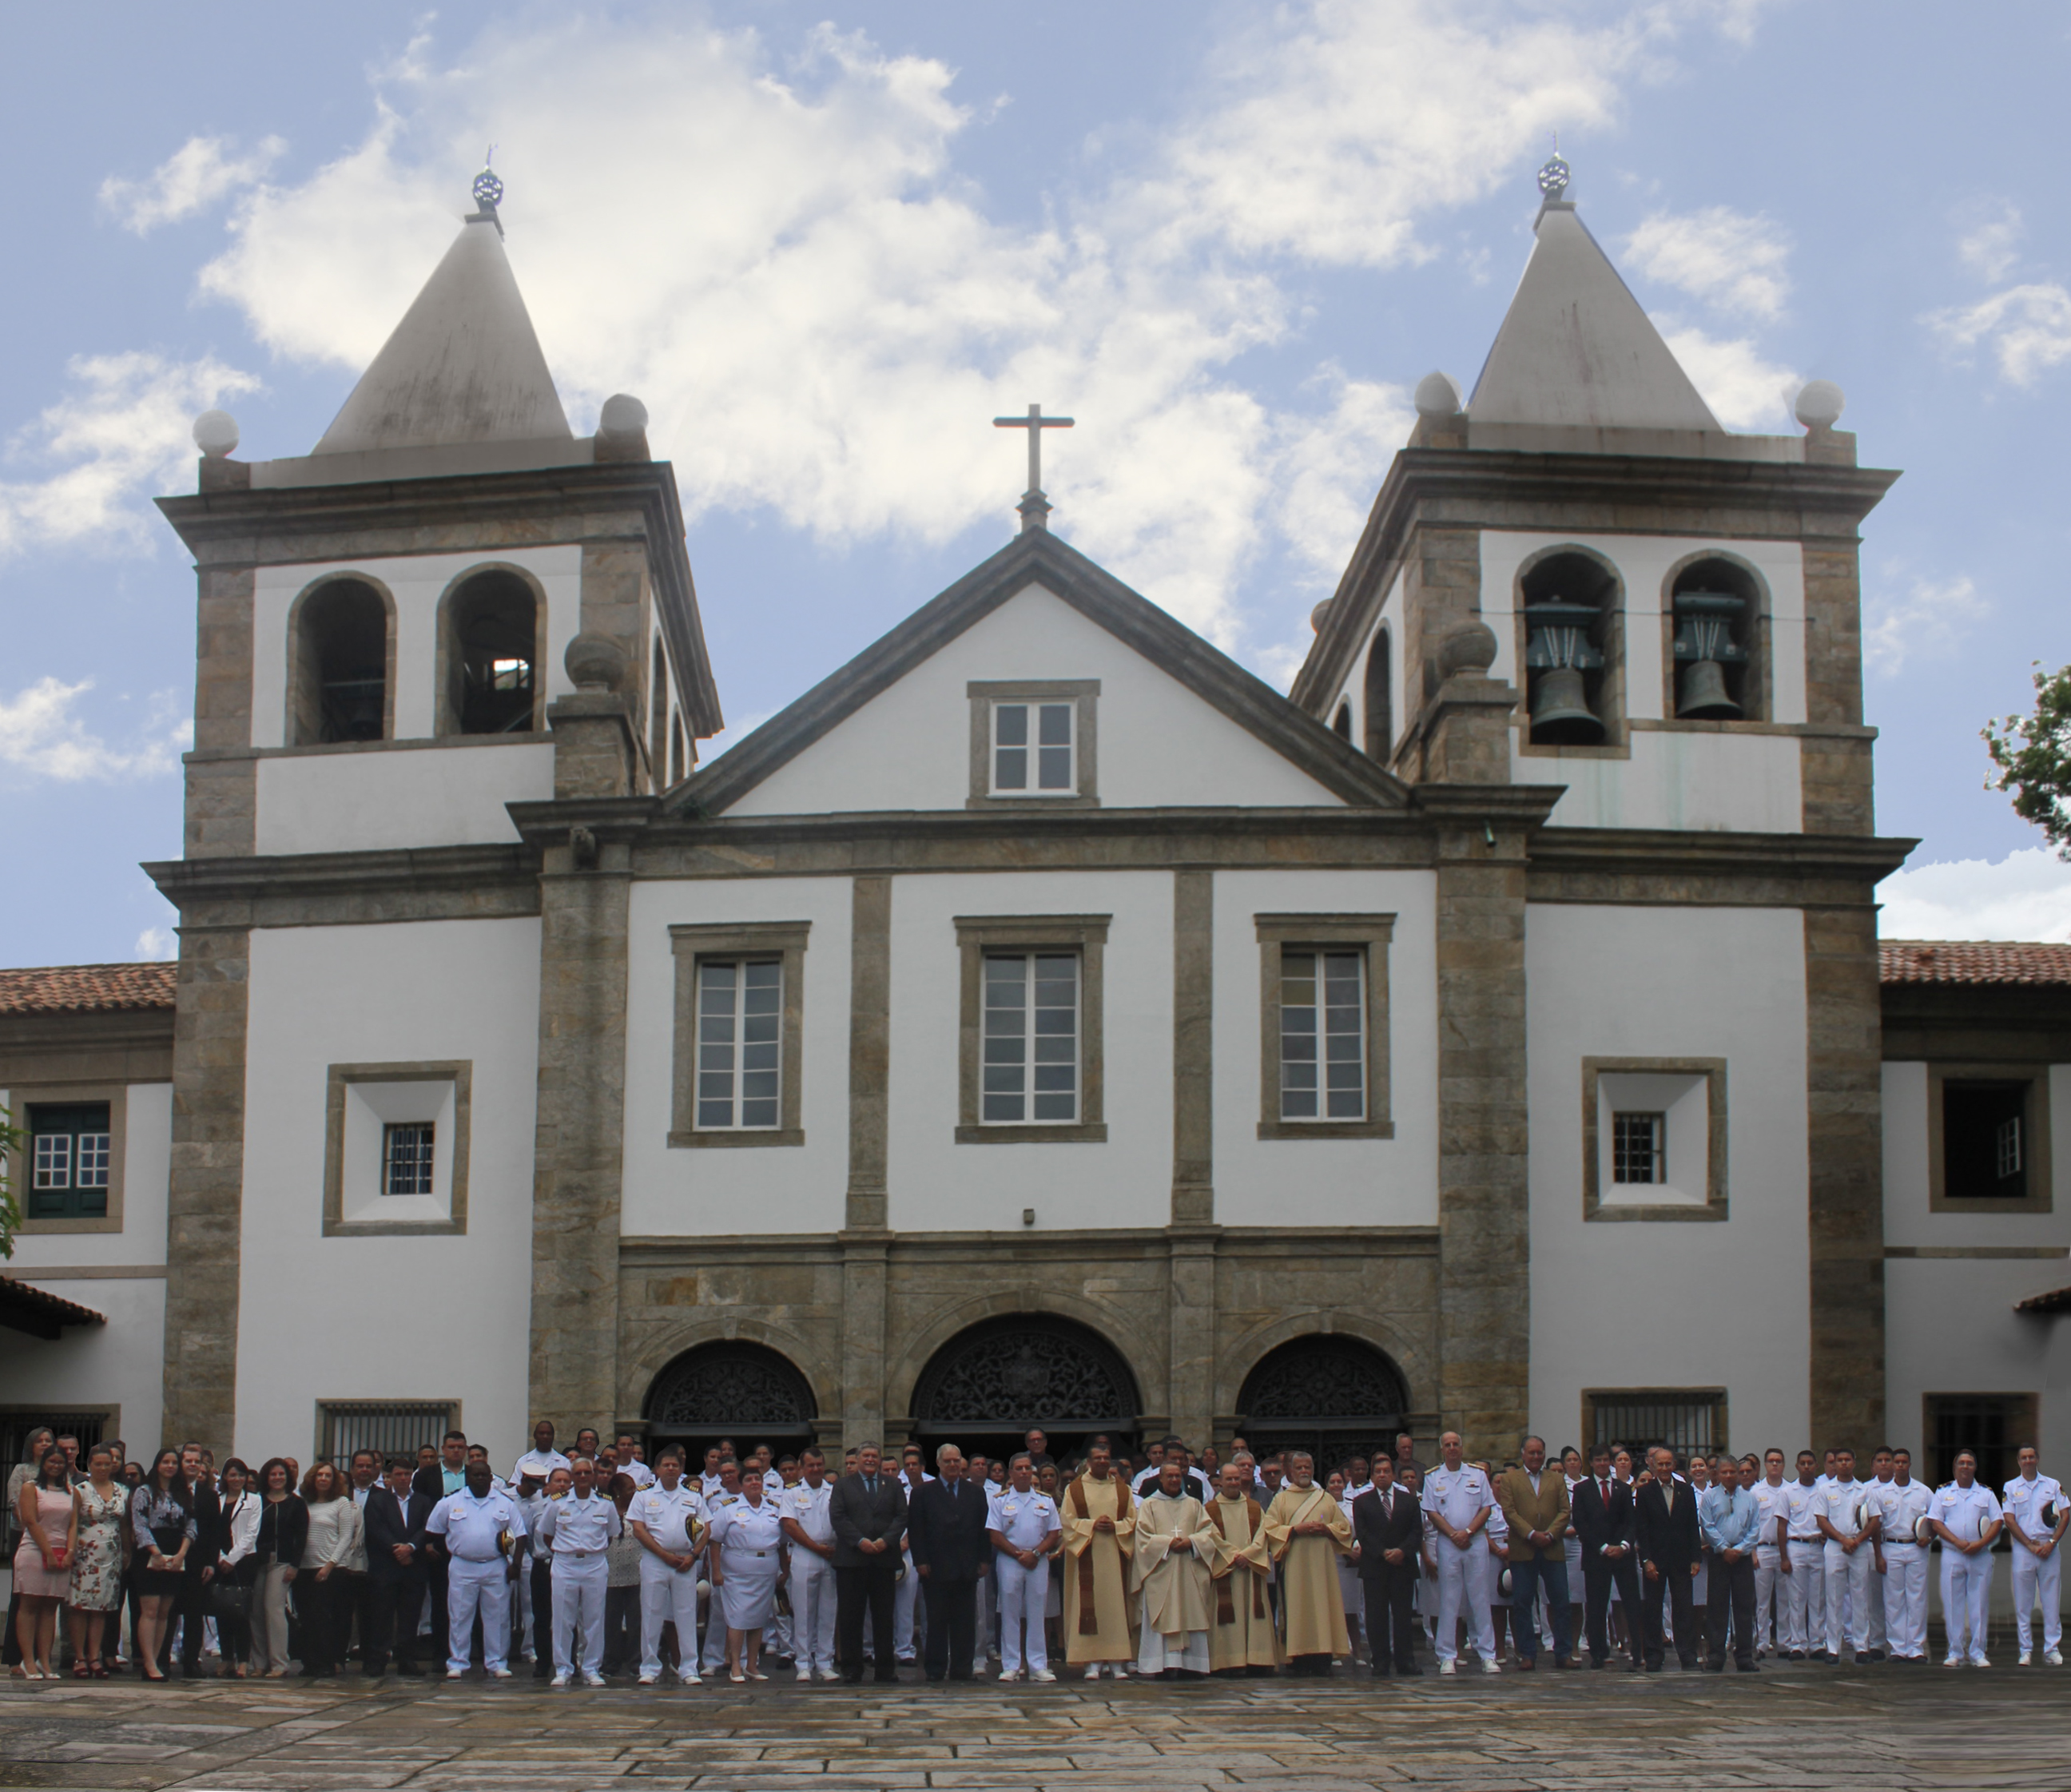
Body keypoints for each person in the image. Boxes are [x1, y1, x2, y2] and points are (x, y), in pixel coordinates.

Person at [907, 1444, 990, 1682]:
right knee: (936, 1622)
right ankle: (935, 1669)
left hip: (967, 1567)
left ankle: (962, 1669)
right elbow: (916, 1531)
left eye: (957, 1461)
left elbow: (984, 1528)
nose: (953, 1465)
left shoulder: (975, 1492)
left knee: (965, 1622)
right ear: (939, 1464)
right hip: (935, 1568)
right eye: (948, 1461)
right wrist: (920, 1561)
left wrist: (984, 1559)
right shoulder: (923, 1493)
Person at [1264, 1449, 1352, 1675]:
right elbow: (1270, 1529)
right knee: (1298, 1608)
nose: (1304, 1471)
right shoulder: (1281, 1499)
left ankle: (1323, 1656)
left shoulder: (1325, 1498)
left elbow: (1343, 1528)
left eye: (1308, 1467)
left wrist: (1327, 1529)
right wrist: (1294, 1530)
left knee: (1323, 1608)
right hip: (1294, 1565)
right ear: (1290, 1471)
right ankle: (1298, 1658)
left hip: (1322, 1566)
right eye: (1299, 1468)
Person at [537, 1453, 619, 1687]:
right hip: (565, 1563)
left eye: (587, 1472)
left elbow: (611, 1534)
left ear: (593, 1475)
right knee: (563, 1619)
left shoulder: (605, 1503)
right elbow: (546, 1534)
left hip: (594, 1563)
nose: (583, 1476)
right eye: (578, 1473)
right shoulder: (558, 1503)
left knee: (594, 1619)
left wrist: (593, 1551)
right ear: (572, 1477)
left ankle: (592, 1668)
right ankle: (563, 1669)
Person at [829, 1443, 907, 1684]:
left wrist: (886, 1541)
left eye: (875, 1456)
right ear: (857, 1459)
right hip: (853, 1559)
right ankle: (852, 1668)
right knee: (851, 1616)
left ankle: (885, 1669)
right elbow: (838, 1517)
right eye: (866, 1456)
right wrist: (860, 1541)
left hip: (884, 1559)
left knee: (884, 1616)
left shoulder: (893, 1485)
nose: (871, 1459)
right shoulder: (842, 1485)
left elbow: (902, 1516)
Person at [627, 1447, 704, 1686]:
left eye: (675, 1465)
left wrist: (694, 1555)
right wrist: (663, 1555)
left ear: (681, 1469)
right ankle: (649, 1667)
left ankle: (688, 1668)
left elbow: (706, 1528)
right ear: (657, 1470)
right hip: (655, 1560)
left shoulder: (693, 1497)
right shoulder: (643, 1496)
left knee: (686, 1614)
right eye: (666, 1465)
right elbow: (638, 1529)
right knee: (651, 1613)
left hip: (685, 1561)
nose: (671, 1469)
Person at [1421, 1432, 1496, 1675]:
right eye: (1448, 1445)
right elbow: (1432, 1512)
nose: (1452, 1448)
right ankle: (1447, 1655)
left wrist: (1468, 1531)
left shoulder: (1476, 1475)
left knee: (1480, 1598)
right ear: (1442, 1450)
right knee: (1449, 1600)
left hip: (1475, 1541)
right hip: (1448, 1543)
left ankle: (1487, 1654)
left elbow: (1487, 1507)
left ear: (1462, 1448)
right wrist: (1454, 1534)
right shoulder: (1433, 1478)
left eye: (1456, 1444)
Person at [1060, 1436, 1136, 1679]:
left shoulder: (1123, 1490)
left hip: (1115, 1558)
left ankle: (1116, 1661)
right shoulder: (1075, 1489)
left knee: (1114, 1607)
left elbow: (1133, 1522)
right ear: (1089, 1462)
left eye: (1106, 1458)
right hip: (1087, 1555)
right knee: (1089, 1606)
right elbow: (1067, 1522)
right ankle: (1091, 1662)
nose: (1102, 1461)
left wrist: (1115, 1526)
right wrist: (1093, 1524)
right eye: (1098, 1458)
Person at [1131, 1458, 1213, 1678]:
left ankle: (1192, 1665)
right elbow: (1143, 1540)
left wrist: (1192, 1542)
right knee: (1162, 1615)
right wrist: (1168, 1543)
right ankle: (1162, 1665)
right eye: (1170, 1476)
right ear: (1160, 1478)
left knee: (1191, 1613)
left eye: (1178, 1476)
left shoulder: (1194, 1504)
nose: (1175, 1480)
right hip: (1161, 1572)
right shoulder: (1149, 1505)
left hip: (1189, 1570)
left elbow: (1208, 1533)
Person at [1497, 1435, 1572, 1671]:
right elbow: (1509, 1511)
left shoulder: (1556, 1479)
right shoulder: (1511, 1479)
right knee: (1522, 1603)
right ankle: (1527, 1653)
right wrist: (1531, 1534)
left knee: (1560, 1601)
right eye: (1532, 1453)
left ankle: (1564, 1652)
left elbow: (1565, 1511)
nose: (1536, 1457)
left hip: (1552, 1548)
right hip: (1524, 1548)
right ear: (1523, 1454)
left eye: (1540, 1452)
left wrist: (1549, 1534)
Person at [1202, 1460, 1278, 1676]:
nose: (1234, 1482)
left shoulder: (1254, 1507)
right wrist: (1234, 1556)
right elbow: (1211, 1537)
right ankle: (1228, 1662)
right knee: (1229, 1615)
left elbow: (1264, 1534)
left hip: (1250, 1570)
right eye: (1229, 1479)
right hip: (1227, 1571)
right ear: (1220, 1481)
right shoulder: (1210, 1509)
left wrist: (1248, 1555)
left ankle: (1257, 1660)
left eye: (1237, 1478)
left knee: (1255, 1613)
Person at [988, 1452, 1060, 1683]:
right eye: (1018, 1468)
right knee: (1009, 1611)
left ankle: (1038, 1665)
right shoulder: (1000, 1501)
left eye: (1027, 1468)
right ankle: (1011, 1665)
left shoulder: (1045, 1500)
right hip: (1010, 1559)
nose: (1024, 1472)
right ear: (1011, 1473)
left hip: (1037, 1560)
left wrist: (1036, 1553)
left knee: (1037, 1612)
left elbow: (1054, 1533)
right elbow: (995, 1534)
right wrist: (1018, 1555)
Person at [710, 1464, 784, 1682]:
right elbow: (714, 1541)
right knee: (738, 1619)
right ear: (741, 1485)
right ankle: (735, 1665)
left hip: (766, 1569)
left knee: (758, 1618)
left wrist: (784, 1570)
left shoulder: (773, 1508)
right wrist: (716, 1571)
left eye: (757, 1479)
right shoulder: (729, 1509)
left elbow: (782, 1543)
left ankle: (752, 1665)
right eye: (749, 1480)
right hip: (736, 1571)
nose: (754, 1483)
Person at [361, 1457, 431, 1679]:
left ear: (412, 1476)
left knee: (410, 1617)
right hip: (386, 1567)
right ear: (389, 1477)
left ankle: (407, 1660)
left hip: (413, 1566)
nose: (403, 1478)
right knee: (381, 1616)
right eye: (398, 1474)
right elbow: (375, 1529)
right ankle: (378, 1660)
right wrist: (396, 1549)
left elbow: (427, 1527)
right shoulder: (377, 1501)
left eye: (407, 1474)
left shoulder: (423, 1501)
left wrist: (410, 1547)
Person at [1570, 1446, 1639, 1671]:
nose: (1602, 1464)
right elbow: (1581, 1523)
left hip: (1622, 1555)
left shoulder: (1622, 1488)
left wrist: (1623, 1546)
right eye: (1598, 1460)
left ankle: (1637, 1652)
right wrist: (1602, 1547)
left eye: (1605, 1460)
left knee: (1631, 1603)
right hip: (1596, 1555)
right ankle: (1598, 1653)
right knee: (1597, 1607)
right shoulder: (1582, 1489)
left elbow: (1631, 1522)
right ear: (1591, 1463)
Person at [1351, 1455, 1421, 1677]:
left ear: (1393, 1474)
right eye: (1378, 1472)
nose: (1382, 1475)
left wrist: (1402, 1551)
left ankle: (1405, 1661)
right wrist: (1382, 1552)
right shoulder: (1362, 1502)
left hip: (1403, 1565)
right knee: (1376, 1616)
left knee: (1402, 1616)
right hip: (1375, 1566)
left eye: (1386, 1471)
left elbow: (1416, 1531)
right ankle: (1380, 1661)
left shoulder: (1409, 1500)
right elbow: (1363, 1533)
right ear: (1372, 1476)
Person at [1931, 1450, 2001, 1668]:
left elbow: (1998, 1521)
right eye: (1961, 1463)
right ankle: (1955, 1651)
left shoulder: (1986, 1494)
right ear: (1954, 1468)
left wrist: (1980, 1544)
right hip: (1953, 1554)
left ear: (1975, 1468)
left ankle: (1978, 1652)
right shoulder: (1943, 1492)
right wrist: (1957, 1542)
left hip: (1979, 1555)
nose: (1965, 1466)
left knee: (1979, 1604)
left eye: (1969, 1463)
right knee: (1953, 1604)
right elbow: (1935, 1522)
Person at [129, 1449, 194, 1682]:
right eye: (165, 1462)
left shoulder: (183, 1493)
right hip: (150, 1552)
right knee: (150, 1609)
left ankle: (156, 1659)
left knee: (165, 1611)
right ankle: (147, 1661)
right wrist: (156, 1553)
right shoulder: (144, 1492)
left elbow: (191, 1525)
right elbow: (139, 1525)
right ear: (157, 1465)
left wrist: (181, 1554)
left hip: (176, 1551)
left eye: (174, 1462)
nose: (170, 1466)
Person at [64, 1443, 128, 1680]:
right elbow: (71, 1523)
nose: (102, 1468)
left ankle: (95, 1657)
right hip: (84, 1553)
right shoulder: (79, 1490)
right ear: (90, 1465)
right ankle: (80, 1657)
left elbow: (124, 1524)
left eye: (107, 1464)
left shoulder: (122, 1490)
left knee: (101, 1608)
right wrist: (70, 1551)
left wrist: (127, 1551)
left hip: (111, 1555)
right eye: (98, 1464)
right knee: (80, 1606)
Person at [11, 1444, 76, 1679]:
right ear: (44, 1463)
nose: (56, 1466)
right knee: (29, 1607)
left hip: (61, 1553)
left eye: (60, 1462)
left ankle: (45, 1661)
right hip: (34, 1550)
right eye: (52, 1462)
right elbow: (30, 1520)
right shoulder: (31, 1488)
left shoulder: (71, 1492)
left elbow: (73, 1524)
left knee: (51, 1609)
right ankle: (28, 1660)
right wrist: (47, 1551)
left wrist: (69, 1551)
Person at [1635, 1446, 1699, 1673]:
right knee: (1652, 1609)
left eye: (1668, 1464)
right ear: (1653, 1466)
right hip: (1655, 1560)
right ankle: (1653, 1656)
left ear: (1674, 1466)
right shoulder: (1645, 1493)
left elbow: (1693, 1526)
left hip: (1681, 1560)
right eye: (1660, 1464)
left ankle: (1688, 1655)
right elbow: (1641, 1530)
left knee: (1684, 1609)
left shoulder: (1686, 1491)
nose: (1664, 1468)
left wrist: (1695, 1558)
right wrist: (1646, 1560)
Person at [296, 1462, 362, 1679]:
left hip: (330, 1569)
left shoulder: (341, 1503)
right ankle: (310, 1662)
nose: (323, 1479)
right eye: (319, 1475)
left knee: (326, 1619)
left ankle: (327, 1662)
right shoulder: (304, 1503)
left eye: (328, 1476)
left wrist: (330, 1565)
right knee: (307, 1618)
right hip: (304, 1568)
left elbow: (345, 1537)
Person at [1868, 1447, 1934, 1664]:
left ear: (1909, 1464)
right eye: (1897, 1462)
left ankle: (1915, 1647)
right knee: (1894, 1598)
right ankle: (1897, 1647)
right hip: (1891, 1547)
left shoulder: (1923, 1492)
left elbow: (1935, 1521)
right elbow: (1875, 1527)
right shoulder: (1881, 1493)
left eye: (1904, 1462)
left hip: (1916, 1547)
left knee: (1916, 1598)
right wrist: (1878, 1555)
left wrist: (1930, 1537)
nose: (1900, 1466)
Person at [2003, 1444, 2066, 1667]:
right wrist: (2029, 1545)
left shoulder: (2053, 1485)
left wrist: (2052, 1542)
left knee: (2051, 1601)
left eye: (2031, 1457)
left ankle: (2052, 1650)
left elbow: (2066, 1515)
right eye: (2024, 1458)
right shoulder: (2010, 1487)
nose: (2028, 1461)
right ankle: (2025, 1650)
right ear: (2019, 1461)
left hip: (2049, 1548)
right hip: (2024, 1550)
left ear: (2037, 1459)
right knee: (2023, 1602)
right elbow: (2009, 1520)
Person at [778, 1447, 837, 1683]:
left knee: (828, 1612)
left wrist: (830, 1549)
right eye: (811, 1465)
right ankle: (803, 1662)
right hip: (805, 1553)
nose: (815, 1469)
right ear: (802, 1468)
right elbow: (789, 1526)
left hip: (831, 1554)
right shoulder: (792, 1494)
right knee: (802, 1611)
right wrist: (816, 1548)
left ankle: (825, 1662)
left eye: (819, 1465)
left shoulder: (834, 1491)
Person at [1697, 1453, 1759, 1673]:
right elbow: (1707, 1525)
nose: (1730, 1475)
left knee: (1744, 1607)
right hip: (1719, 1557)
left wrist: (1740, 1550)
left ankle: (1744, 1656)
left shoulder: (1750, 1498)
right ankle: (1716, 1656)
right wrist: (1724, 1548)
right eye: (1725, 1472)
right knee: (1717, 1608)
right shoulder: (1710, 1498)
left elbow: (1754, 1528)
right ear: (1717, 1474)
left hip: (1741, 1558)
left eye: (1734, 1472)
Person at [1815, 1446, 1873, 1663]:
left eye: (1848, 1459)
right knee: (1834, 1598)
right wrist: (1842, 1540)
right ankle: (1833, 1648)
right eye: (1840, 1460)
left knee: (1860, 1597)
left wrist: (1856, 1540)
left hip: (1859, 1547)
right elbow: (1821, 1520)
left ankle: (1861, 1647)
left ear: (1854, 1462)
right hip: (1834, 1546)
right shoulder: (1825, 1489)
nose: (1844, 1464)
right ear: (1834, 1463)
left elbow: (1874, 1520)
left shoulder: (1864, 1490)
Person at [250, 1459, 305, 1678]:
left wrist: (295, 1565)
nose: (277, 1478)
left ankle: (279, 1663)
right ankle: (259, 1662)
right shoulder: (257, 1502)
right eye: (273, 1474)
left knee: (274, 1609)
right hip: (258, 1562)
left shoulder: (296, 1503)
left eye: (281, 1474)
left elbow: (301, 1537)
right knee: (256, 1612)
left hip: (282, 1562)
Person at [205, 1457, 260, 1679]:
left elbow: (251, 1533)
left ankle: (243, 1660)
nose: (236, 1479)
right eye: (232, 1475)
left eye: (240, 1475)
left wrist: (233, 1558)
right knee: (222, 1610)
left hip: (244, 1560)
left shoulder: (254, 1500)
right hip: (218, 1560)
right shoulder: (216, 1499)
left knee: (240, 1611)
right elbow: (210, 1530)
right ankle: (226, 1658)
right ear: (224, 1477)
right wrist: (220, 1557)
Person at [1779, 1449, 1826, 1661]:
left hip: (1818, 1546)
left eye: (1810, 1463)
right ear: (1797, 1467)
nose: (1806, 1467)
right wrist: (1784, 1557)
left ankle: (1817, 1643)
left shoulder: (1824, 1490)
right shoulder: (1788, 1492)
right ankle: (1797, 1644)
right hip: (1795, 1546)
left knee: (1818, 1598)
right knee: (1796, 1599)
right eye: (1803, 1463)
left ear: (1816, 1466)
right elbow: (1782, 1525)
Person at [602, 1474, 644, 1677]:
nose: (633, 1491)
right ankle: (610, 1662)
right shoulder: (605, 1509)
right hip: (610, 1573)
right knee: (611, 1621)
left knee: (636, 1620)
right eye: (629, 1488)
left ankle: (636, 1661)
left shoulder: (639, 1510)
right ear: (617, 1490)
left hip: (636, 1573)